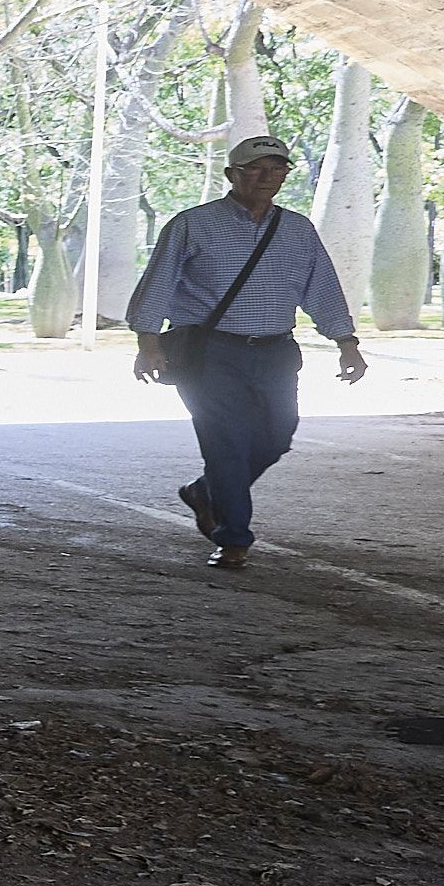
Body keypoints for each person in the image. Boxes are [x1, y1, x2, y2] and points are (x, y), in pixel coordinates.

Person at [122, 134, 367, 570]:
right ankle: (233, 537)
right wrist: (148, 342)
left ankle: (205, 491)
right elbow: (157, 283)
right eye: (254, 169)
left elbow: (322, 288)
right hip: (210, 353)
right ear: (232, 174)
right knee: (227, 443)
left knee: (277, 435)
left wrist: (346, 343)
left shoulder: (297, 229)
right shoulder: (192, 225)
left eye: (276, 169)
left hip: (276, 351)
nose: (265, 177)